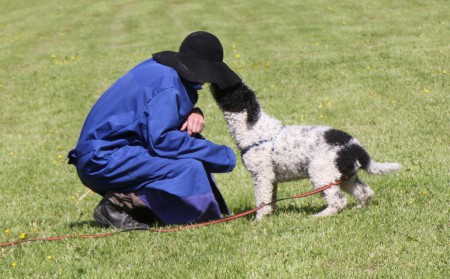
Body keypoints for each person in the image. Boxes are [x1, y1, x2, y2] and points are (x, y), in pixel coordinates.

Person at [68, 31, 242, 230]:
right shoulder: (169, 87)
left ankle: (143, 209)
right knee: (188, 167)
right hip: (103, 160)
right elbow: (164, 141)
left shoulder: (159, 70)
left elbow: (147, 114)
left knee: (185, 160)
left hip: (102, 155)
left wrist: (193, 111)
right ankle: (117, 204)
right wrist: (221, 155)